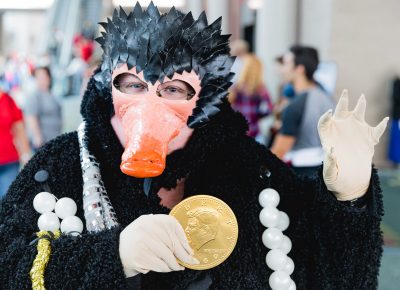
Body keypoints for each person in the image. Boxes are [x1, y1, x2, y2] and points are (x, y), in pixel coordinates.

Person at [0, 3, 389, 289]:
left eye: (173, 89)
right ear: (107, 84)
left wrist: (349, 196)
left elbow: (323, 262)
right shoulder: (60, 165)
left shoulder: (250, 168)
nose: (149, 103)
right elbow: (11, 261)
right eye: (132, 85)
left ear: (202, 100)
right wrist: (110, 254)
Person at [271, 46, 335, 177]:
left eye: (286, 64)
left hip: (301, 174)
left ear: (300, 69)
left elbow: (279, 151)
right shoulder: (327, 98)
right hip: (325, 172)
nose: (282, 70)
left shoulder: (296, 105)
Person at [229, 53, 273, 139]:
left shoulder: (236, 88)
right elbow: (268, 110)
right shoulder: (261, 89)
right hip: (254, 133)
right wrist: (257, 113)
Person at [0, 91, 31, 197]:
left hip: (10, 162)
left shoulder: (7, 100)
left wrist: (25, 153)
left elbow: (19, 128)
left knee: (8, 200)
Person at [24, 66, 62, 150]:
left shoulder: (51, 94)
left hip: (55, 139)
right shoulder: (34, 96)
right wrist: (37, 137)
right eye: (39, 77)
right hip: (43, 142)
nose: (42, 80)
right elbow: (31, 117)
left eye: (44, 77)